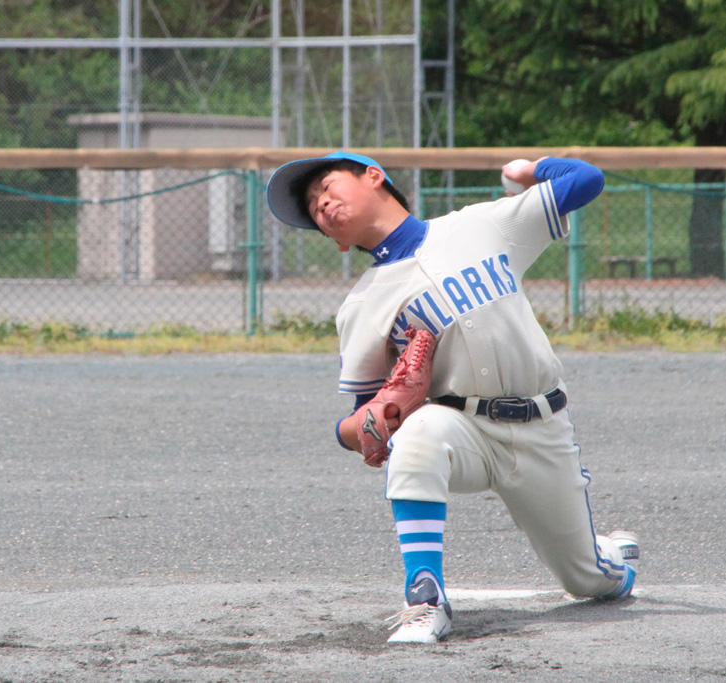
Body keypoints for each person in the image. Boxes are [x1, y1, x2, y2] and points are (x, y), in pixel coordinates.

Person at [266, 150, 639, 643]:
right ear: (335, 244)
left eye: (328, 187)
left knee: (588, 580)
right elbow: (360, 423)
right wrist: (371, 422)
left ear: (374, 176)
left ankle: (610, 552)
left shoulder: (480, 225)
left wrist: (529, 170)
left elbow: (586, 180)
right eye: (314, 208)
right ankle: (425, 600)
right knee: (418, 435)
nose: (322, 205)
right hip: (462, 430)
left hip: (542, 424)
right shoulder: (360, 306)